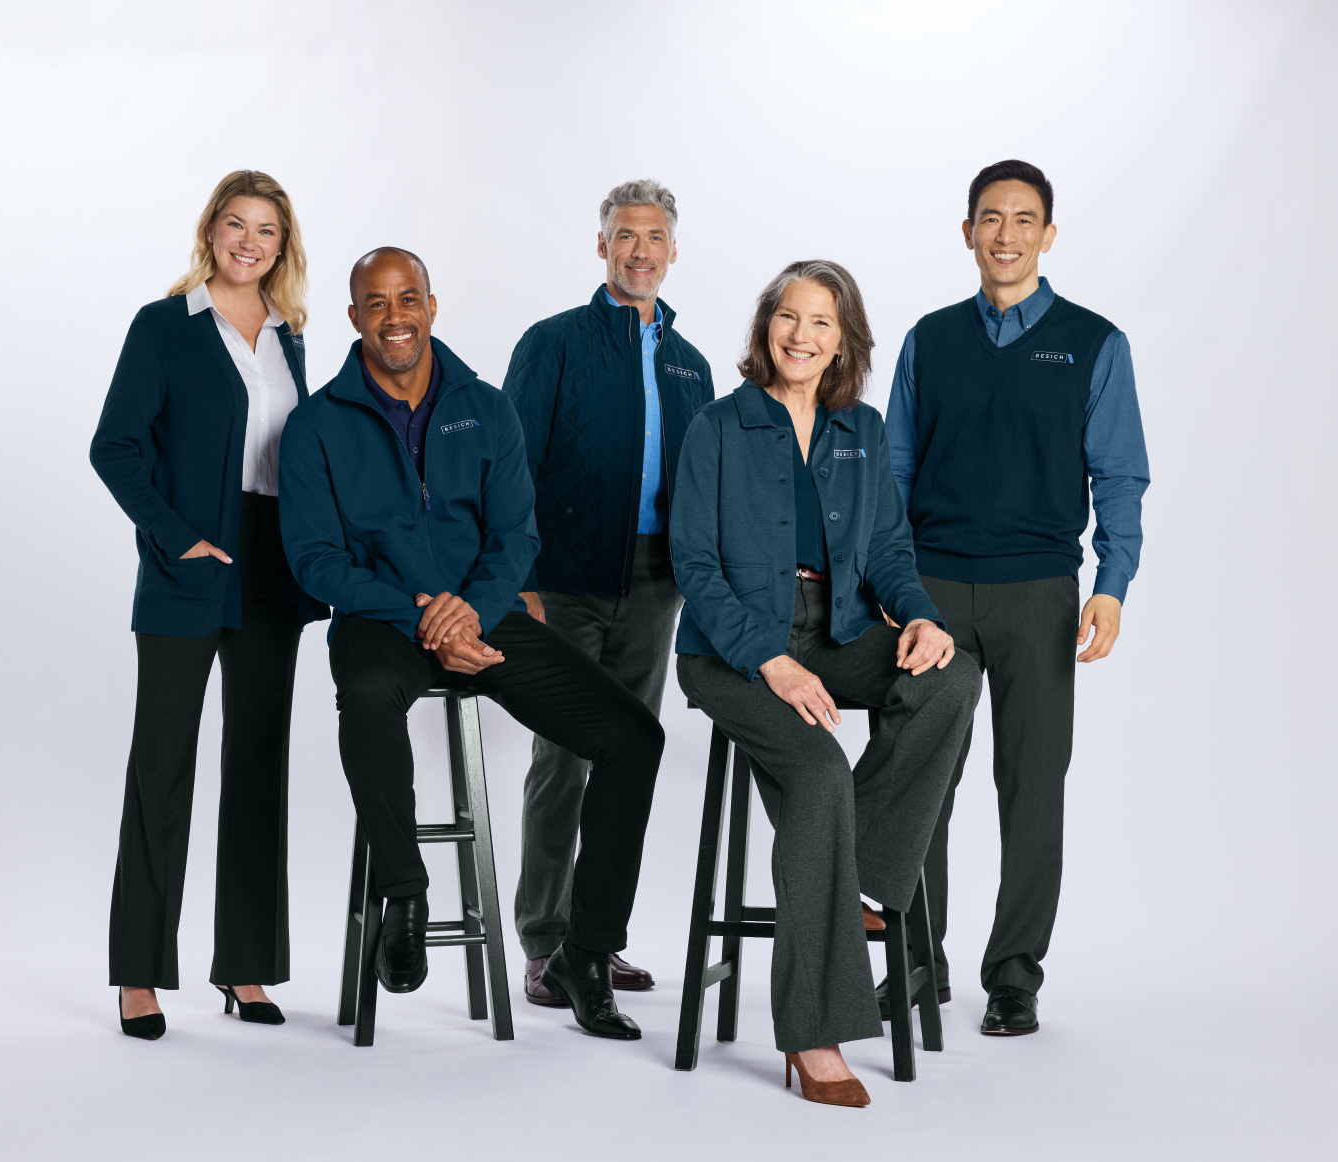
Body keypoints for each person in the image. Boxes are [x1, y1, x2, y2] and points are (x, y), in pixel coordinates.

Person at [279, 248, 666, 1041]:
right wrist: (427, 616)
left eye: (409, 298)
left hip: (485, 618)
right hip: (380, 623)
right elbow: (316, 561)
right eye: (376, 302)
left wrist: (470, 615)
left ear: (431, 304)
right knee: (366, 695)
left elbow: (515, 537)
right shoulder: (317, 424)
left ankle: (585, 953)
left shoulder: (485, 408)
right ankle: (407, 893)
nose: (396, 316)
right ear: (353, 316)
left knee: (634, 736)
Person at [673, 260, 981, 1106]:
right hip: (731, 645)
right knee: (815, 773)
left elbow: (888, 551)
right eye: (788, 316)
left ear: (844, 340)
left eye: (821, 322)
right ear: (765, 324)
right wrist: (767, 657)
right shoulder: (719, 427)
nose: (800, 335)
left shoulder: (863, 429)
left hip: (837, 626)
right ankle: (813, 1032)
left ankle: (853, 878)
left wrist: (918, 614)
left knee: (951, 676)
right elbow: (693, 564)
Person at [882, 159, 1150, 1037]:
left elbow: (1118, 475)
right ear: (966, 232)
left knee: (1032, 783)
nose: (1005, 235)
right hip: (933, 591)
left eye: (1023, 220)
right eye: (989, 219)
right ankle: (921, 960)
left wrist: (1111, 584)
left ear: (1048, 234)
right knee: (925, 780)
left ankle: (1015, 974)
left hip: (1039, 587)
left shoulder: (1095, 342)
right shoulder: (928, 340)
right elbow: (894, 472)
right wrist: (888, 584)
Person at [89, 170, 329, 1040]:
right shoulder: (164, 327)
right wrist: (174, 533)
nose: (250, 242)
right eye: (236, 224)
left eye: (267, 230)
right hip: (190, 562)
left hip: (273, 565)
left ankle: (248, 966)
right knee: (163, 764)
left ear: (282, 245)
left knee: (259, 764)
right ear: (211, 232)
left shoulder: (291, 336)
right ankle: (140, 974)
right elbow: (113, 445)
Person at [503, 179, 715, 1008]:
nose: (640, 251)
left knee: (630, 758)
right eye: (625, 236)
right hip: (564, 581)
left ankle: (597, 940)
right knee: (563, 757)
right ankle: (544, 941)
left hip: (655, 584)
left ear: (672, 251)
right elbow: (508, 466)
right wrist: (517, 579)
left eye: (654, 237)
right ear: (602, 247)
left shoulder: (689, 362)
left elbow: (702, 482)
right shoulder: (553, 343)